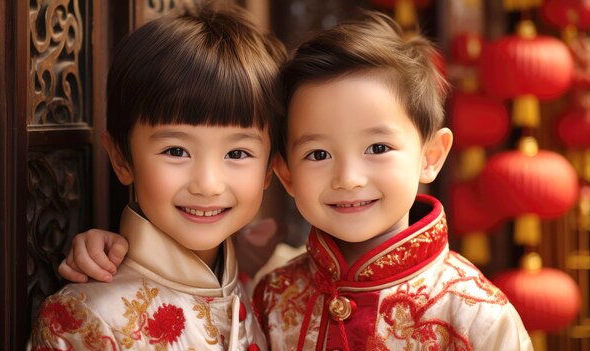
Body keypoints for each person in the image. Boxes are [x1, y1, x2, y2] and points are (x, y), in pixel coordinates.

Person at [59, 10, 534, 351]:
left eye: (378, 148)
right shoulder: (271, 295)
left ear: (432, 156)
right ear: (284, 173)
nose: (348, 178)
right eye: (319, 153)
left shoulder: (476, 316)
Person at [27, 2, 285, 350]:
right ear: (121, 158)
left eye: (237, 154)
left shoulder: (266, 298)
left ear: (269, 169)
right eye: (176, 151)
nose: (207, 184)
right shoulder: (85, 316)